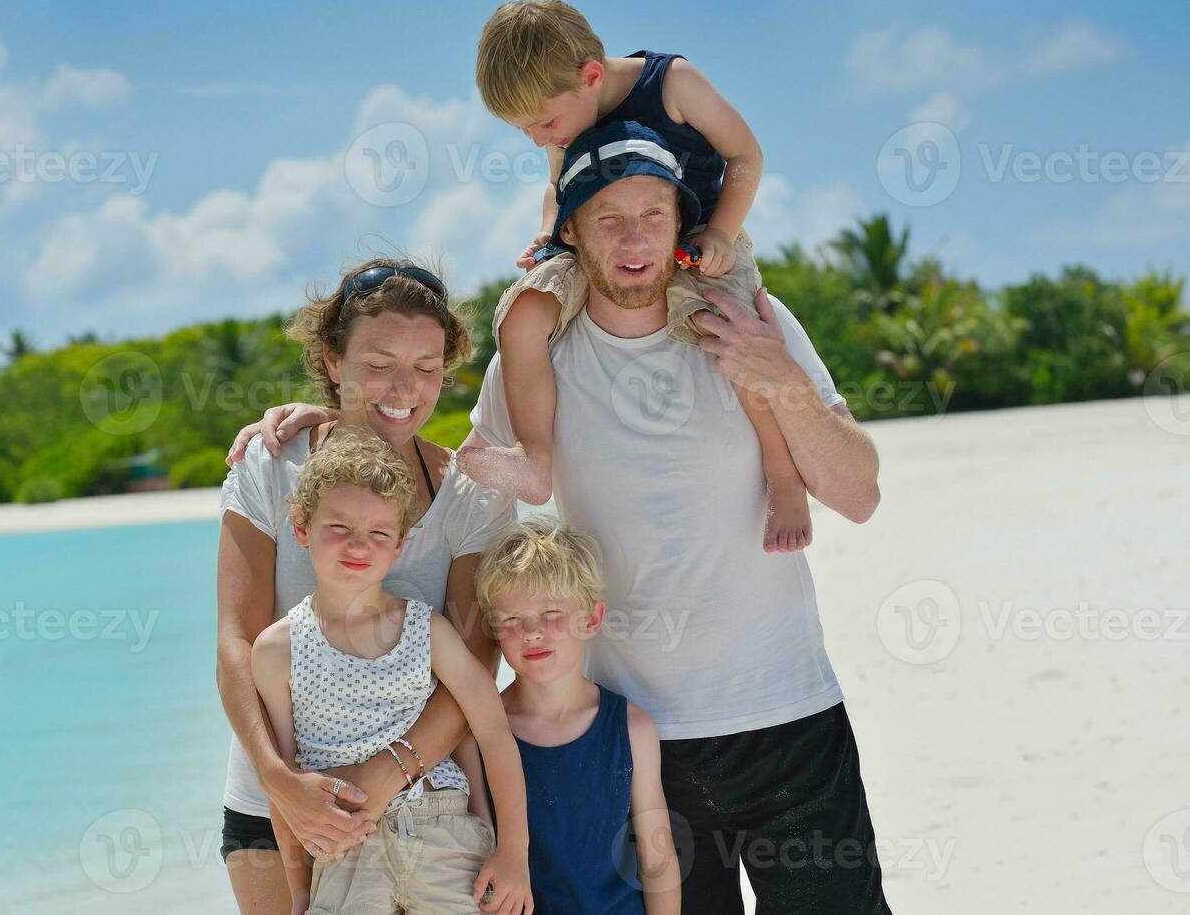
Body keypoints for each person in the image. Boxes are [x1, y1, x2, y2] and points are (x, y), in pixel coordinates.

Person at [234, 124, 891, 914]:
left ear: (682, 225)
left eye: (654, 214)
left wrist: (779, 377)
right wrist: (333, 414)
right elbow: (429, 424)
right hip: (631, 742)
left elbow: (857, 494)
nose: (633, 237)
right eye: (607, 219)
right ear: (567, 233)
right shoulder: (539, 349)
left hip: (788, 713)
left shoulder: (749, 320)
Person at [216, 259, 517, 913]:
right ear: (331, 360)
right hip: (273, 809)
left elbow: (476, 661)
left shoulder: (472, 495)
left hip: (429, 815)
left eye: (427, 367)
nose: (404, 388)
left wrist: (384, 777)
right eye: (378, 364)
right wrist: (280, 780)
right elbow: (236, 642)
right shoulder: (271, 465)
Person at [462, 0, 812, 555]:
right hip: (598, 246)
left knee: (736, 331)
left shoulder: (672, 83)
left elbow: (745, 154)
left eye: (544, 123)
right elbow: (557, 188)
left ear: (592, 77)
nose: (538, 138)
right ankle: (534, 457)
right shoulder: (564, 123)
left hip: (700, 240)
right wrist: (549, 236)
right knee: (522, 308)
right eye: (525, 129)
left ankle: (785, 477)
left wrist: (721, 232)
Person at [252, 428, 532, 914]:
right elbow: (284, 783)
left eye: (379, 533)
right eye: (338, 527)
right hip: (342, 851)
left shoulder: (429, 629)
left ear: (400, 543)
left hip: (441, 829)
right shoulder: (278, 647)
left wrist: (513, 853)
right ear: (301, 527)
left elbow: (493, 733)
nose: (358, 546)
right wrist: (300, 891)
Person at [475, 516, 681, 914]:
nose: (532, 632)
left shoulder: (631, 728)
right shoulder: (484, 731)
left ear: (591, 618)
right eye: (513, 620)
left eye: (551, 613)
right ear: (494, 629)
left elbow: (658, 859)